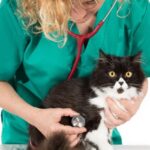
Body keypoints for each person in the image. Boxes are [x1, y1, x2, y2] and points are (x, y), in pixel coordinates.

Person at [0, 0, 149, 146]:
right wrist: (36, 118)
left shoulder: (135, 8)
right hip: (30, 140)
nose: (79, 13)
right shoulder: (17, 7)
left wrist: (133, 104)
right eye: (66, 2)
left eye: (90, 3)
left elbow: (140, 74)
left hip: (97, 137)